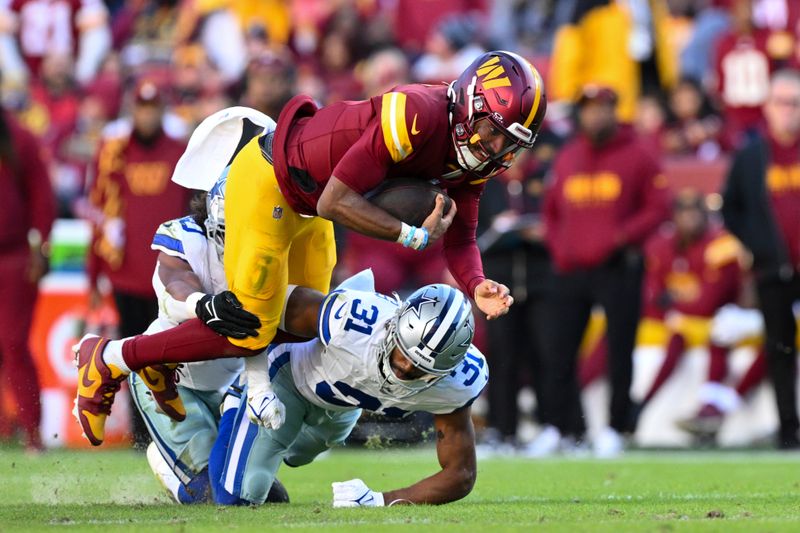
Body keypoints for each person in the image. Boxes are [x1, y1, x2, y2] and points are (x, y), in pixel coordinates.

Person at [73, 50, 545, 447]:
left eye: (509, 141)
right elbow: (336, 198)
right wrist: (411, 236)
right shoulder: (417, 113)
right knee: (251, 327)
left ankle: (163, 357)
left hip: (310, 208)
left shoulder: (475, 158)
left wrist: (477, 283)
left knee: (302, 326)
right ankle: (112, 358)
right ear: (468, 102)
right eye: (492, 130)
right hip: (271, 182)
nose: (496, 145)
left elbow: (461, 235)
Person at [197, 272, 485, 506]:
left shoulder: (458, 383)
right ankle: (238, 399)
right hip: (289, 381)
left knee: (296, 456)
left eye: (423, 368)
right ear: (394, 326)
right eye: (404, 353)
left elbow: (460, 474)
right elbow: (263, 310)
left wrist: (379, 500)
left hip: (340, 410)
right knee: (239, 495)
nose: (407, 369)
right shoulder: (351, 318)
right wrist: (258, 382)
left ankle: (250, 438)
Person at [536, 84, 669, 458]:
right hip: (572, 267)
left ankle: (614, 427)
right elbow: (551, 209)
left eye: (602, 107)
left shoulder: (639, 154)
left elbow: (659, 207)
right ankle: (557, 427)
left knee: (619, 350)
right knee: (559, 350)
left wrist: (621, 236)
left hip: (618, 266)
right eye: (589, 108)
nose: (596, 115)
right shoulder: (568, 156)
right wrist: (560, 246)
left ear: (614, 109)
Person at [128, 192, 286, 504]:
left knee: (268, 497)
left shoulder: (277, 244)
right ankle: (166, 463)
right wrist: (203, 304)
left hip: (229, 385)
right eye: (233, 233)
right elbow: (174, 282)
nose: (241, 243)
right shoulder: (187, 238)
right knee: (208, 495)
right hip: (170, 380)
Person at [83, 78, 189, 446]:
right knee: (130, 356)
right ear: (132, 110)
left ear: (161, 110)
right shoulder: (114, 153)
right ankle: (140, 436)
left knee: (173, 361)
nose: (146, 115)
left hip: (170, 277)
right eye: (140, 108)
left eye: (153, 108)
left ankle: (175, 434)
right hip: (127, 274)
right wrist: (94, 273)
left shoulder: (179, 151)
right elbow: (100, 214)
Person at [636, 189, 760, 431]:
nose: (689, 218)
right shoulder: (661, 245)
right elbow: (652, 298)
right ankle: (639, 408)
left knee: (726, 328)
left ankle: (719, 405)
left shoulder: (722, 245)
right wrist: (676, 304)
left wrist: (673, 300)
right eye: (683, 212)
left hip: (735, 315)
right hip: (691, 321)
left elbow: (708, 303)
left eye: (694, 212)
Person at [721, 68, 800, 449]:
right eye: (781, 103)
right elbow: (731, 209)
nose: (788, 111)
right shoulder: (753, 157)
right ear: (768, 107)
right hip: (774, 269)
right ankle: (789, 430)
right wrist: (759, 245)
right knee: (780, 349)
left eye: (794, 104)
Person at [0, 107, 55, 451]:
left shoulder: (19, 138)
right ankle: (7, 429)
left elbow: (41, 197)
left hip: (14, 255)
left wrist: (40, 246)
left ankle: (32, 432)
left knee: (14, 344)